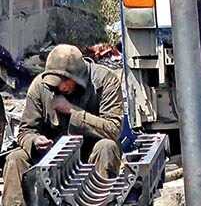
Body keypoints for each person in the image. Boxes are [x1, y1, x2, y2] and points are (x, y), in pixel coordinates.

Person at [2, 45, 123, 206]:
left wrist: (73, 111)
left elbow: (113, 129)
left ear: (77, 77)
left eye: (64, 82)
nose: (60, 87)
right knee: (15, 158)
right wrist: (34, 141)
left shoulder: (105, 81)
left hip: (89, 154)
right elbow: (25, 131)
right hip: (50, 155)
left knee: (107, 147)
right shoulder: (40, 86)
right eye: (55, 82)